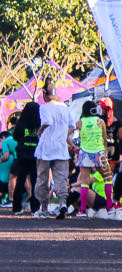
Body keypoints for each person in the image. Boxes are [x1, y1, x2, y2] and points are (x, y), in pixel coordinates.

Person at [34, 80, 76, 219]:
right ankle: (62, 203)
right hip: (61, 149)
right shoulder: (64, 107)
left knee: (42, 179)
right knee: (61, 178)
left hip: (45, 149)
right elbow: (72, 126)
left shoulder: (44, 107)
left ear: (44, 94)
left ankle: (44, 207)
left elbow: (47, 122)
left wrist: (40, 131)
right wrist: (64, 136)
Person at [73, 101, 115, 215]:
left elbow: (74, 137)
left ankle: (82, 210)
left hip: (85, 153)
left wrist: (75, 148)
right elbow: (104, 138)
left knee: (84, 182)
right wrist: (105, 151)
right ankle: (110, 206)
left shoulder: (79, 123)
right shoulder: (100, 121)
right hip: (99, 152)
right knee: (108, 178)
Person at [10, 102, 41, 215]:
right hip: (36, 155)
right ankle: (35, 208)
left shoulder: (20, 123)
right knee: (35, 182)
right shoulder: (39, 123)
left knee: (20, 181)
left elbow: (15, 136)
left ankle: (17, 208)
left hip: (22, 155)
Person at [0, 130, 14, 207]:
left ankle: (10, 200)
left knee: (12, 177)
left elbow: (5, 157)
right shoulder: (14, 139)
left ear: (3, 137)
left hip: (3, 183)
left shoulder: (5, 141)